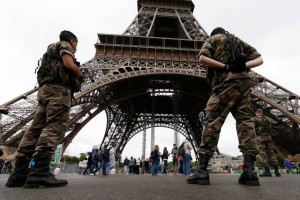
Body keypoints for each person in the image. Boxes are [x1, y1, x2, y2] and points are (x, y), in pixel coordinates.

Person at [5, 30, 84, 188]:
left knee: (35, 129)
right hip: (58, 91)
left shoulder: (50, 49)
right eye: (76, 43)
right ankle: (40, 172)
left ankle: (19, 173)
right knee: (54, 127)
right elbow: (68, 63)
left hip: (45, 90)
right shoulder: (64, 45)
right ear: (72, 40)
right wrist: (80, 73)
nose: (76, 47)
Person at [187, 27, 263, 186]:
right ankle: (249, 171)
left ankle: (202, 170)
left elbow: (202, 58)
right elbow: (259, 59)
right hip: (243, 85)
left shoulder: (213, 39)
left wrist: (226, 67)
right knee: (246, 124)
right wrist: (242, 67)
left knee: (212, 123)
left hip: (224, 85)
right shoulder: (238, 40)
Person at [253, 108, 281, 177]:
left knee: (262, 153)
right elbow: (271, 126)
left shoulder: (254, 119)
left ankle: (267, 171)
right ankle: (277, 171)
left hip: (260, 137)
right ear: (262, 112)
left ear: (256, 113)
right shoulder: (268, 119)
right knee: (271, 152)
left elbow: (252, 128)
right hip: (268, 137)